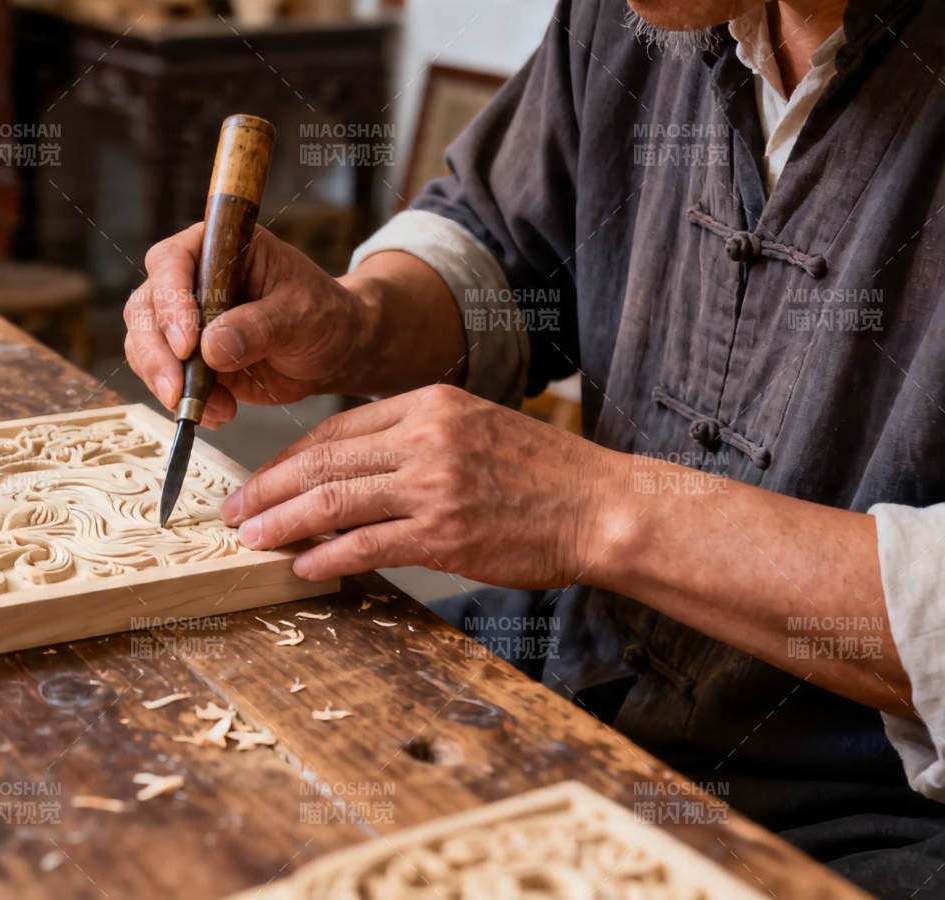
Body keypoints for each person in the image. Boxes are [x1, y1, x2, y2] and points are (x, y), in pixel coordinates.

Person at [124, 0, 945, 895]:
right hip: (578, 668)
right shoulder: (633, 16)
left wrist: (595, 512)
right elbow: (503, 247)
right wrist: (357, 319)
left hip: (868, 807)